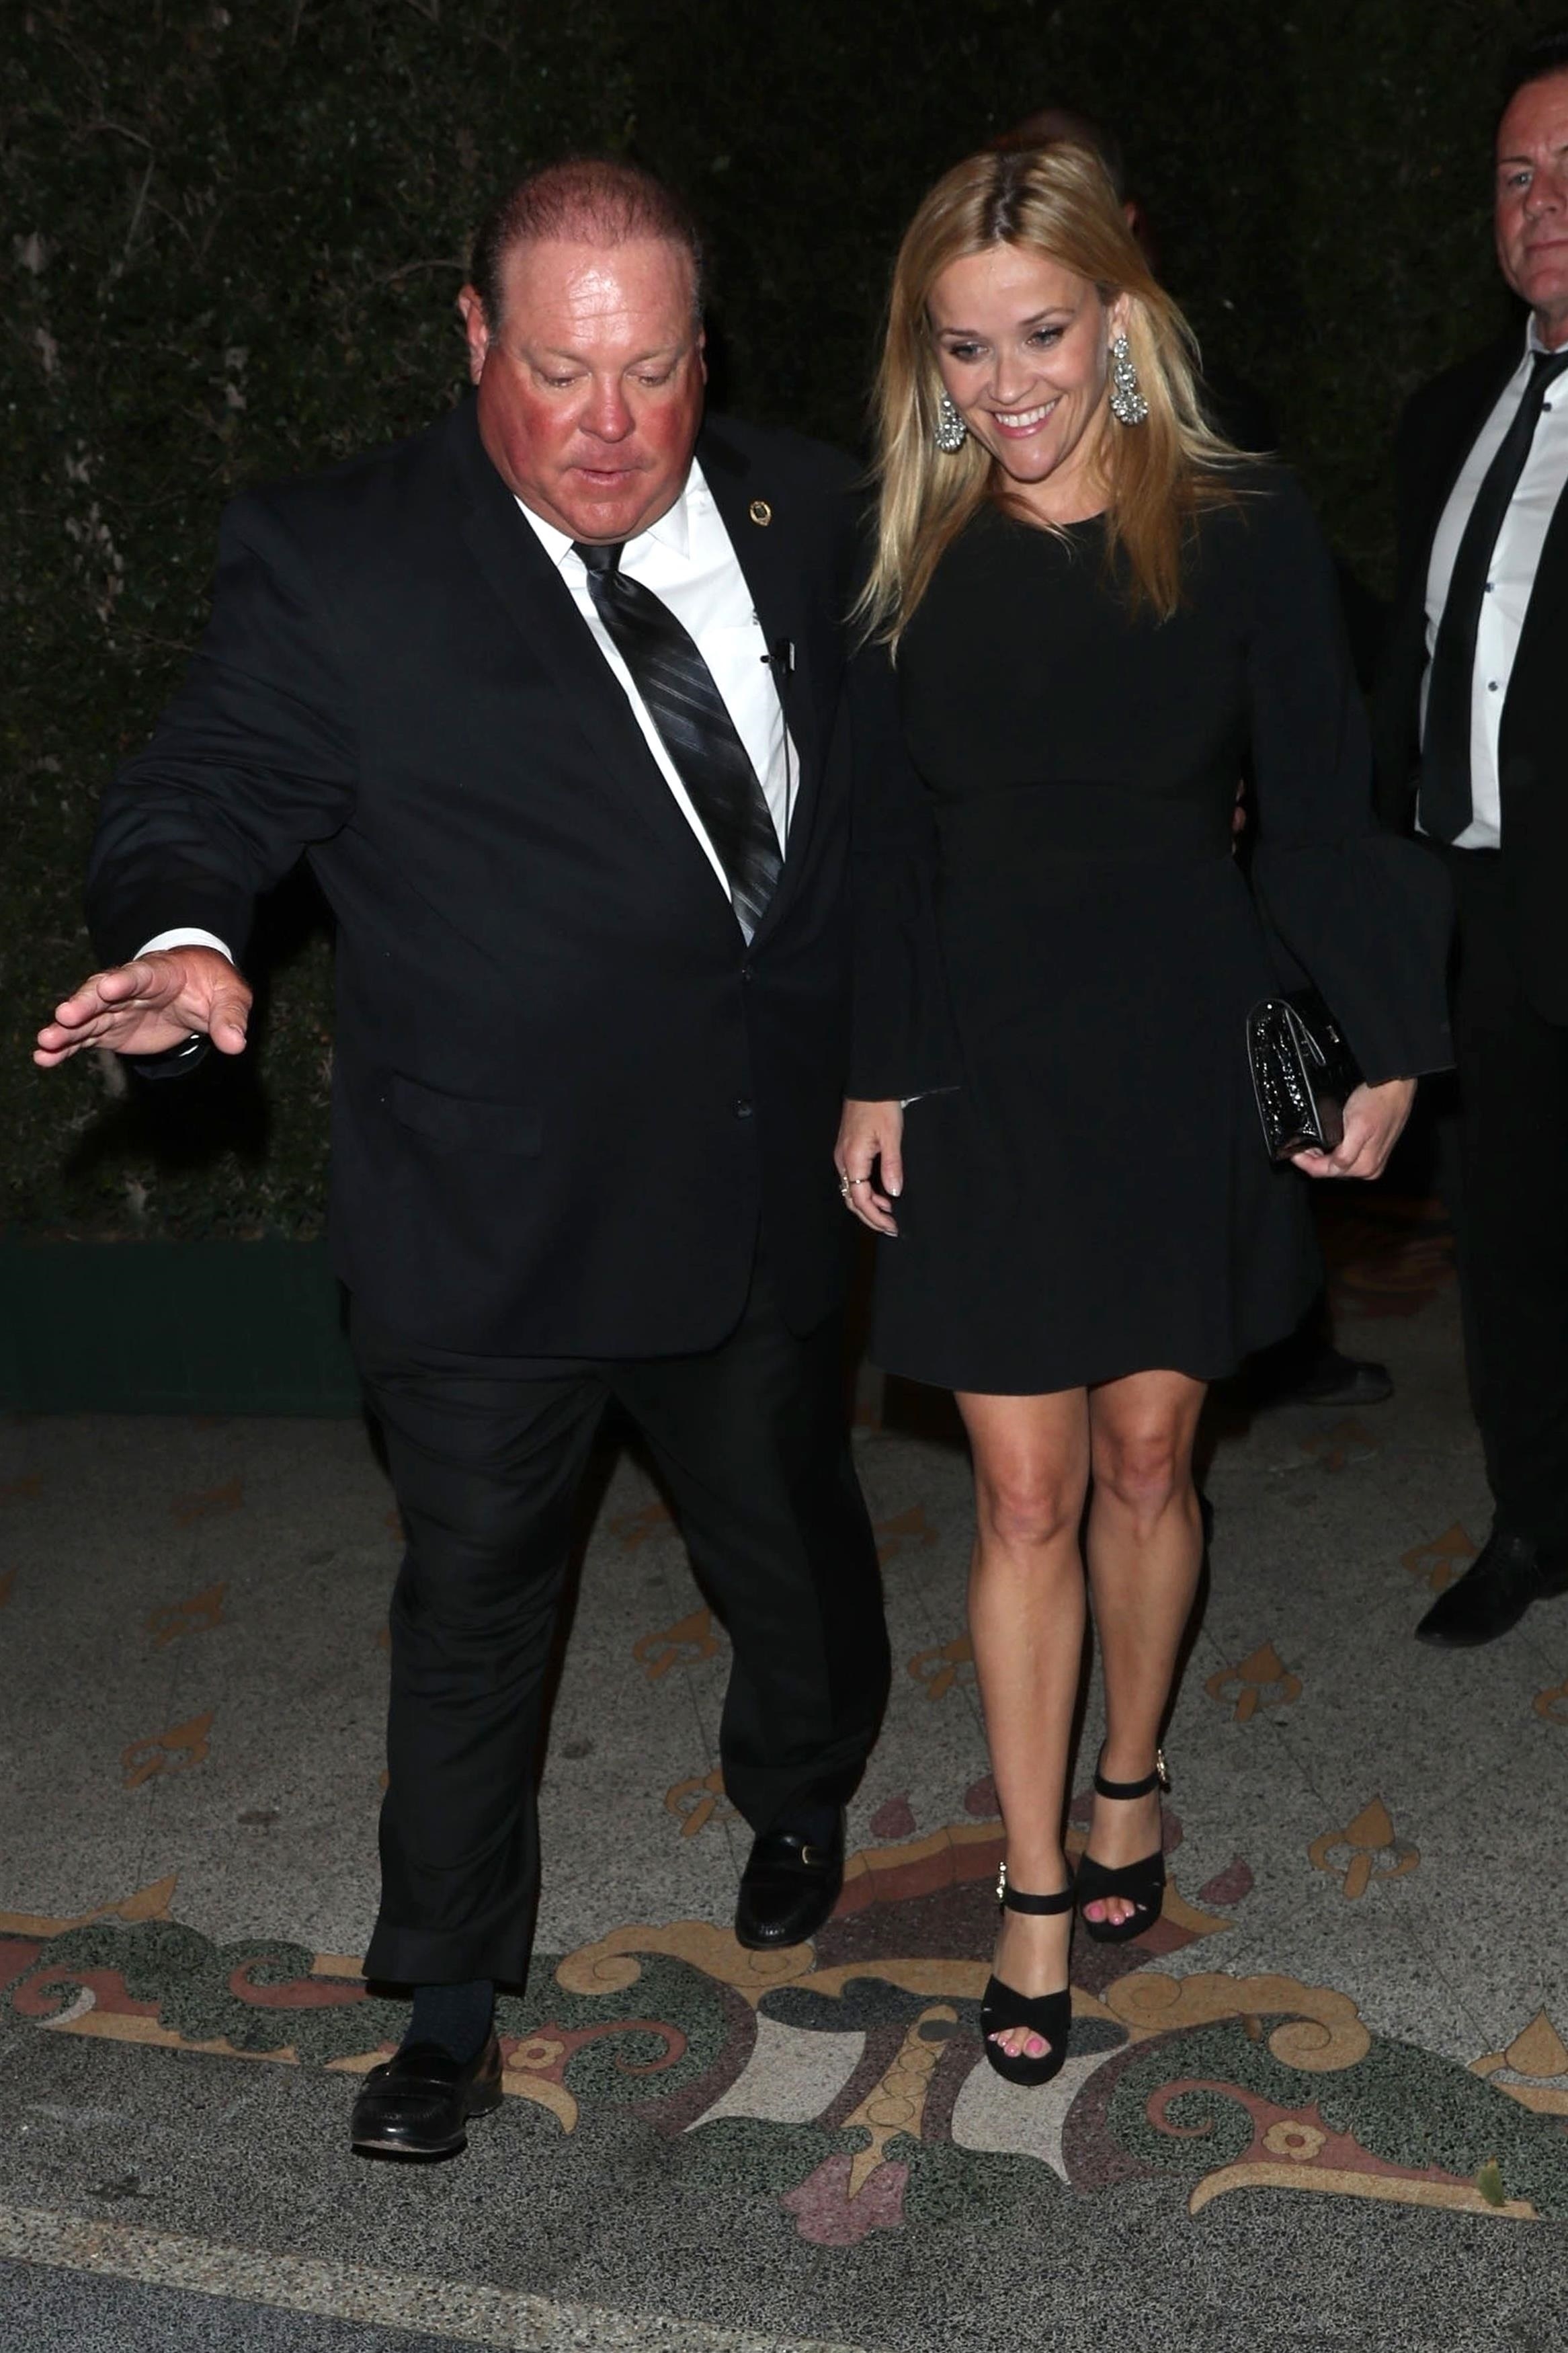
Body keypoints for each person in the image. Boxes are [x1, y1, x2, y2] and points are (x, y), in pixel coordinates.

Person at [35, 159, 892, 2159]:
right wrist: (187, 933)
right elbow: (208, 777)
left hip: (755, 1170)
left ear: (706, 353)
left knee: (784, 1540)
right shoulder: (341, 559)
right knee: (475, 1600)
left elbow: (895, 801)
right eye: (559, 373)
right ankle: (442, 1993)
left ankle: (798, 1785)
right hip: (485, 1210)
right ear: (474, 338)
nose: (608, 426)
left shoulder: (820, 510)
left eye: (653, 372)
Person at [837, 143, 1452, 2086]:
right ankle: (1031, 1878)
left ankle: (1129, 1767)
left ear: (1118, 313)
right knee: (1017, 1489)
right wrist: (875, 1064)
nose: (1003, 384)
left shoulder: (1240, 522)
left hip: (1182, 1038)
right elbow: (876, 847)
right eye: (963, 347)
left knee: (1143, 1454)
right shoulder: (903, 546)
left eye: (1040, 332)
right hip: (985, 1059)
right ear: (924, 357)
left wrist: (1385, 1037)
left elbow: (1323, 809)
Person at [1375, 29, 1568, 1651]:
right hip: (1483, 908)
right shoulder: (1447, 417)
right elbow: (1417, 660)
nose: (1543, 201)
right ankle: (1536, 1518)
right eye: (1516, 176)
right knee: (1506, 1241)